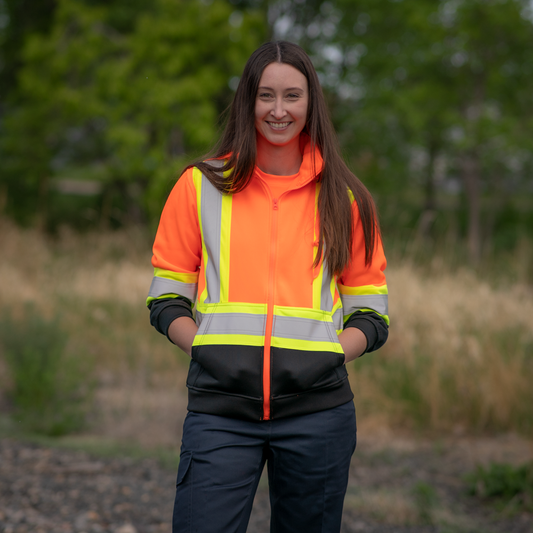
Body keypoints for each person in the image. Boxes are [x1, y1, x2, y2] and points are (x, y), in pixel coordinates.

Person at [147, 41, 389, 533]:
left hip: (318, 414)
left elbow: (372, 312)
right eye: (266, 96)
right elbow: (165, 298)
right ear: (247, 102)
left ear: (311, 104)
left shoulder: (348, 198)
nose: (279, 111)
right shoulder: (198, 186)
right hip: (220, 413)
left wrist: (330, 355)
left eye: (292, 96)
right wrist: (208, 348)